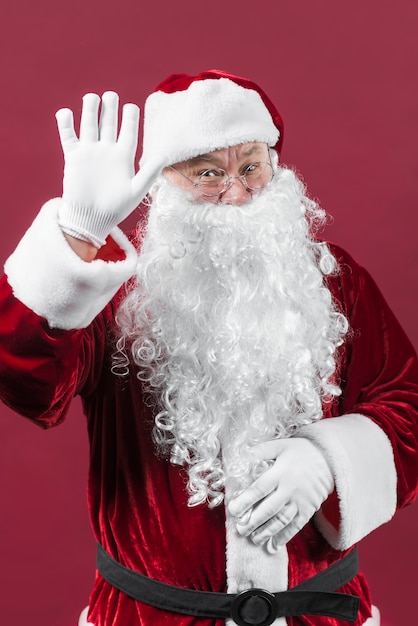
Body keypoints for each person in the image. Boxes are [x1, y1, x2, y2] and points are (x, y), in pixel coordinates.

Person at [0, 69, 417, 626]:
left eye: (251, 167)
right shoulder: (116, 290)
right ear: (163, 182)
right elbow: (25, 383)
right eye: (207, 173)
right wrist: (76, 234)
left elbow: (408, 403)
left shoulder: (336, 279)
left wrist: (331, 458)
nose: (238, 193)